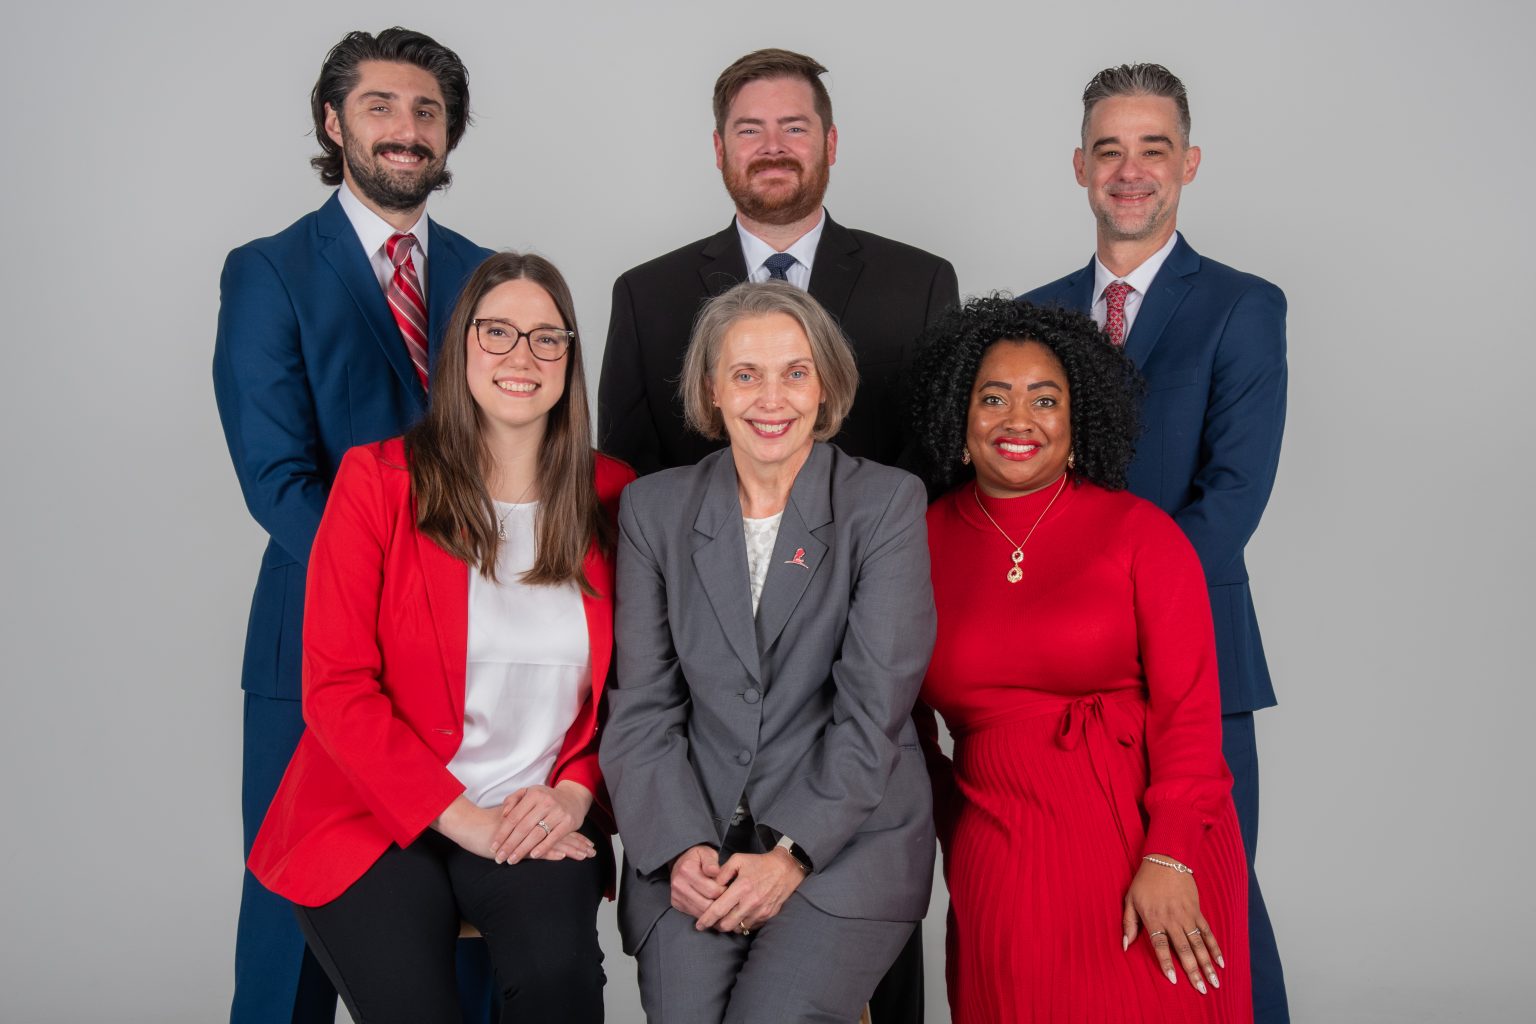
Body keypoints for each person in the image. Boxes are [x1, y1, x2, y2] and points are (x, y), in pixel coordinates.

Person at [596, 48, 953, 1020]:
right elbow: (642, 703)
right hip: (694, 829)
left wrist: (789, 849)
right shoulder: (657, 509)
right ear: (710, 390)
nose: (770, 396)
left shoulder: (884, 502)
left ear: (828, 388)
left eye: (795, 374)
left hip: (843, 829)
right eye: (746, 375)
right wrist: (679, 843)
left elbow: (872, 703)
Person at [248, 252, 632, 1023]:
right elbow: (337, 687)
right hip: (374, 814)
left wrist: (574, 791)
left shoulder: (615, 496)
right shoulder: (377, 482)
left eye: (546, 338)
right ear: (460, 349)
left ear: (569, 360)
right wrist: (463, 819)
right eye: (497, 332)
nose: (522, 356)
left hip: (538, 807)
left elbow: (637, 689)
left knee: (557, 980)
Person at [211, 27, 496, 1024]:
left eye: (427, 110)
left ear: (449, 132)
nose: (405, 128)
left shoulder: (488, 277)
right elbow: (276, 477)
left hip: (470, 655)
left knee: (468, 909)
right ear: (333, 124)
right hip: (316, 646)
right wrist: (391, 593)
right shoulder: (271, 271)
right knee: (292, 920)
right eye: (380, 106)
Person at [1021, 62, 1289, 1022]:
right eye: (1109, 150)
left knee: (1213, 906)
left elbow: (1232, 499)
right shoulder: (1036, 317)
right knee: (1092, 918)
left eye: (1153, 149)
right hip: (1059, 677)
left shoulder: (1242, 306)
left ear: (1189, 163)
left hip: (1194, 660)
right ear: (1079, 167)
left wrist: (1114, 612)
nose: (1129, 171)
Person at [908, 297, 1252, 1022]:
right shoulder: (914, 543)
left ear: (1077, 419)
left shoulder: (1141, 532)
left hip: (1152, 837)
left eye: (1045, 400)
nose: (1018, 420)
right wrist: (954, 833)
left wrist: (1171, 854)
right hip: (1000, 844)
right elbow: (896, 721)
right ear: (959, 416)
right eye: (993, 398)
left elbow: (1191, 710)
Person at [598, 46, 959, 474]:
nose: (773, 148)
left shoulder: (920, 284)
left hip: (879, 521)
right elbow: (627, 474)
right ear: (719, 149)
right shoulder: (645, 296)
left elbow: (940, 454)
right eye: (750, 130)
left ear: (830, 143)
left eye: (794, 128)